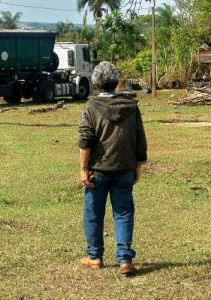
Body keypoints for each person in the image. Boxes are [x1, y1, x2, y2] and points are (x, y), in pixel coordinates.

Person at [77, 61, 147, 275]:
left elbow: (85, 140)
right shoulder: (131, 106)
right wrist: (138, 165)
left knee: (93, 214)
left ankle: (94, 257)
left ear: (95, 82)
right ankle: (125, 259)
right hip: (124, 169)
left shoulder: (91, 107)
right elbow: (140, 138)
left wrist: (83, 169)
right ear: (117, 82)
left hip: (97, 171)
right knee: (123, 213)